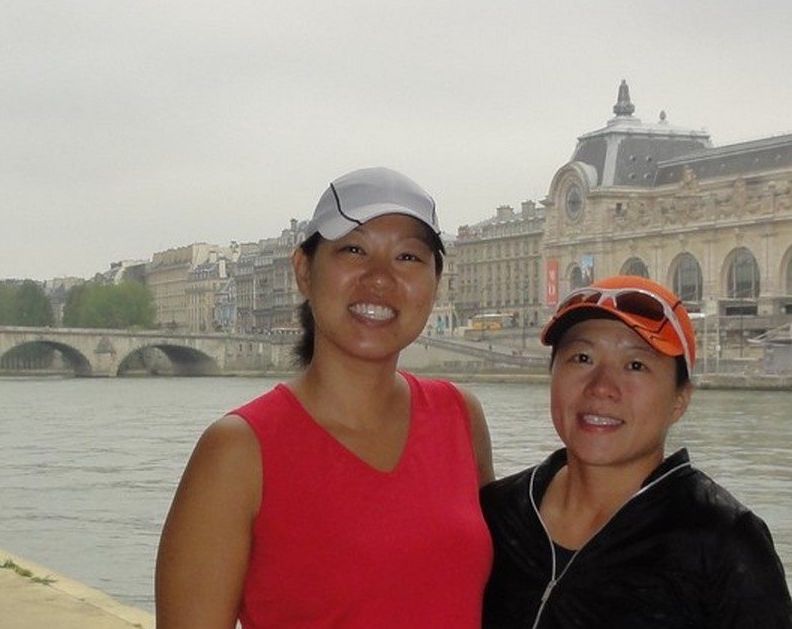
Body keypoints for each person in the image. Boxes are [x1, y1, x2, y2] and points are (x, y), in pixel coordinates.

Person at [157, 167, 494, 628]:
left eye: (408, 258)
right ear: (303, 270)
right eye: (353, 250)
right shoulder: (237, 451)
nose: (379, 278)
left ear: (436, 284)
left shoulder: (461, 416)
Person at [480, 275, 792, 628]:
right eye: (582, 358)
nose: (601, 387)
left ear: (680, 400)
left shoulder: (722, 540)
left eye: (635, 366)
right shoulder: (495, 514)